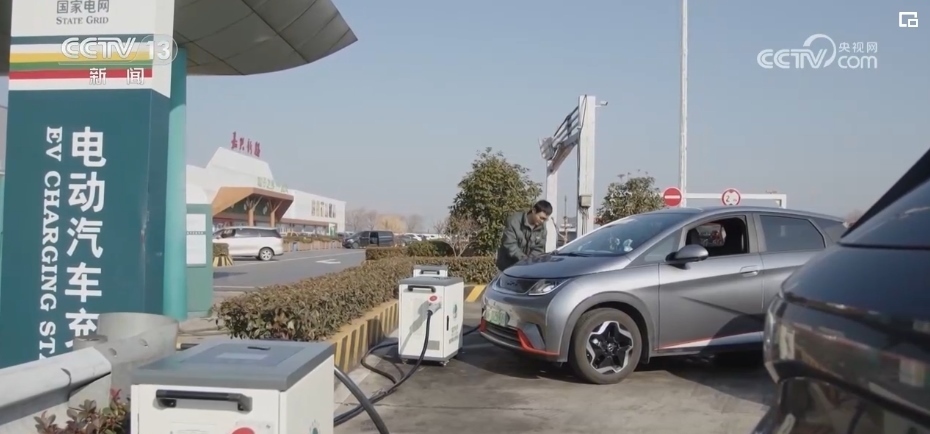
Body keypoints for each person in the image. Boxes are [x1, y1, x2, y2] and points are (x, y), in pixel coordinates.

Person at [495, 200, 552, 271]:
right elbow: (510, 244)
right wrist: (524, 259)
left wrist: (530, 262)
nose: (542, 221)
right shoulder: (514, 221)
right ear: (534, 211)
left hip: (526, 267)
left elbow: (539, 248)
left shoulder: (542, 229)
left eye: (545, 219)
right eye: (541, 218)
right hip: (507, 266)